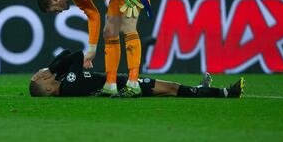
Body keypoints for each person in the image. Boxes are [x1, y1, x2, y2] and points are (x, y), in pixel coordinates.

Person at [37, 0, 152, 98]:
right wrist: (91, 51)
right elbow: (93, 16)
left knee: (128, 26)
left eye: (55, 10)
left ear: (54, 0)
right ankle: (110, 85)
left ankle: (133, 84)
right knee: (110, 32)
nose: (59, 11)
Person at [29, 49, 244, 98]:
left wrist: (50, 68)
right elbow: (76, 55)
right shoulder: (69, 86)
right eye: (46, 79)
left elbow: (65, 53)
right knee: (172, 89)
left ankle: (203, 90)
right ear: (48, 89)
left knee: (171, 89)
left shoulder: (64, 82)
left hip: (120, 82)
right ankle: (225, 93)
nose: (48, 76)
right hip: (124, 86)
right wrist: (50, 68)